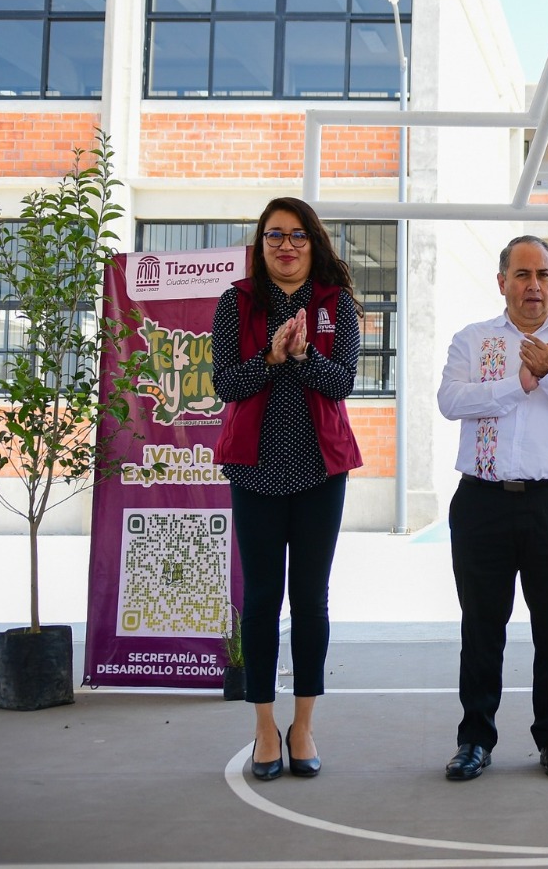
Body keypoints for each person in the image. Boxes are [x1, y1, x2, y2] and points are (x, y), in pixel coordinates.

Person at [437, 235, 548, 782]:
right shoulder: (474, 340)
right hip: (482, 502)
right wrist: (519, 382)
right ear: (502, 283)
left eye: (543, 275)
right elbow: (450, 401)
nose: (532, 286)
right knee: (481, 626)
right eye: (521, 274)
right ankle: (475, 739)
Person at [212, 197, 363, 782]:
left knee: (310, 599)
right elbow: (226, 384)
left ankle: (303, 725)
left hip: (321, 473)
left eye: (297, 235)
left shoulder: (334, 305)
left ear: (312, 242)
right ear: (261, 243)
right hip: (255, 471)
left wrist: (300, 357)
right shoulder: (237, 302)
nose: (286, 246)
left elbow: (342, 382)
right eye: (275, 235)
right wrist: (271, 356)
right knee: (260, 602)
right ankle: (262, 727)